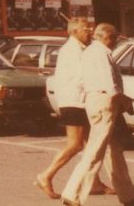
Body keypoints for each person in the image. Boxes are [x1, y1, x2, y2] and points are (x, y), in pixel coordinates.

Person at [59, 23, 134, 206]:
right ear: (107, 37)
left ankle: (129, 196)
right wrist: (125, 102)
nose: (115, 42)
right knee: (94, 152)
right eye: (114, 38)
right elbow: (110, 85)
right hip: (104, 102)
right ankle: (71, 194)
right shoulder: (101, 53)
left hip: (97, 101)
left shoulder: (90, 52)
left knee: (114, 152)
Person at [35, 18, 110, 199]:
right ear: (74, 31)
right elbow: (83, 77)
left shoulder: (81, 48)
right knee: (75, 144)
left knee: (90, 146)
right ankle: (45, 176)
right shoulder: (71, 51)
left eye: (90, 27)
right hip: (74, 102)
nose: (90, 31)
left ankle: (94, 183)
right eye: (86, 28)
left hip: (80, 102)